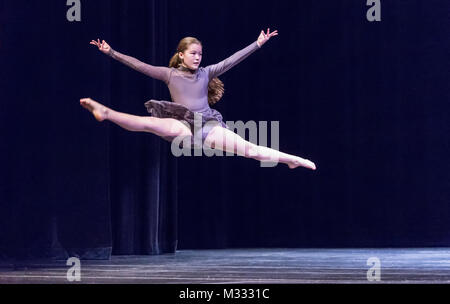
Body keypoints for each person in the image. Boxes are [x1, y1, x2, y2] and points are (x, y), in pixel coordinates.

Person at [80, 28, 316, 170]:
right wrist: (111, 52)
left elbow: (231, 61)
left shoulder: (206, 72)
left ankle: (292, 160)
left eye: (200, 54)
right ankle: (106, 113)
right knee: (148, 124)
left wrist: (257, 44)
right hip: (182, 123)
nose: (197, 58)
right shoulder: (169, 74)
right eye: (193, 53)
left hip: (208, 125)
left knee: (251, 150)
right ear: (181, 55)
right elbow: (140, 65)